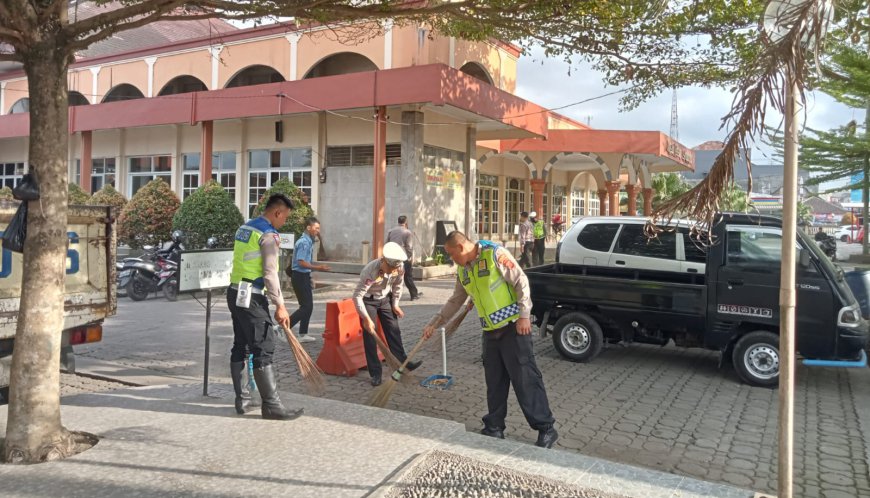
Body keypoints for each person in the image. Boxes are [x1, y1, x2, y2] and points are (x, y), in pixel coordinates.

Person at [423, 231, 558, 448]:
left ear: (460, 247)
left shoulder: (494, 254)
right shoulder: (463, 270)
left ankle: (546, 428)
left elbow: (521, 281)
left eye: (451, 254)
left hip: (514, 328)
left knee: (526, 380)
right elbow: (456, 299)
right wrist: (435, 322)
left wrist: (525, 315)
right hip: (490, 332)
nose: (451, 259)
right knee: (495, 383)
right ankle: (494, 427)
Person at [227, 193, 301, 420]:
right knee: (264, 346)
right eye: (284, 218)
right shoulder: (269, 235)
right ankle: (271, 406)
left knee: (241, 344)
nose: (284, 223)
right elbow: (270, 273)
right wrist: (280, 304)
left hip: (235, 292)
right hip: (252, 296)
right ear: (277, 212)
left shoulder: (246, 228)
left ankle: (243, 399)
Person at [353, 241, 422, 387]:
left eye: (394, 268)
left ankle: (403, 363)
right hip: (368, 301)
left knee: (393, 330)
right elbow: (357, 296)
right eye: (389, 267)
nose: (391, 271)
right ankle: (375, 373)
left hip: (385, 299)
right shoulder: (370, 271)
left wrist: (395, 304)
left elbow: (398, 285)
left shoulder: (399, 267)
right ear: (383, 260)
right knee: (371, 336)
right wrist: (365, 318)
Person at [290, 216, 330, 343]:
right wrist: (318, 267)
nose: (318, 231)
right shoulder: (304, 242)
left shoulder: (308, 241)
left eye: (319, 228)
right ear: (308, 228)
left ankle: (303, 333)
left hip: (303, 276)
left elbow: (305, 262)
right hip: (299, 276)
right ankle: (283, 327)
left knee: (308, 306)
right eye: (316, 228)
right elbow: (301, 262)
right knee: (306, 306)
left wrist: (313, 272)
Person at [387, 215, 422, 300]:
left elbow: (387, 243)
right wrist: (409, 257)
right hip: (403, 256)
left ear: (398, 221)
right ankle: (414, 295)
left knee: (392, 276)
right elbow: (409, 247)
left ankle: (389, 295)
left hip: (392, 257)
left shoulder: (391, 231)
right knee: (407, 276)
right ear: (406, 222)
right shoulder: (407, 232)